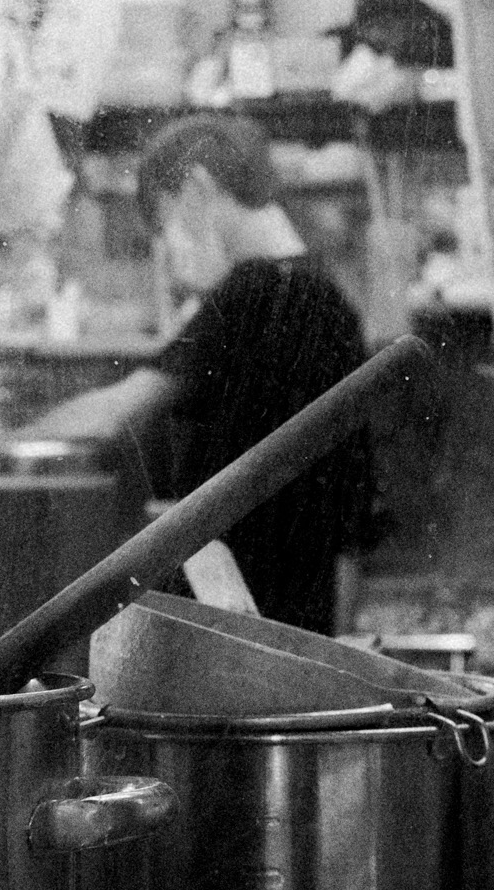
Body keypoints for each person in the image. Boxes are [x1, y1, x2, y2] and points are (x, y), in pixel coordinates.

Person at [22, 112, 373, 636]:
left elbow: (117, 411)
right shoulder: (328, 296)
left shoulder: (250, 292)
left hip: (237, 610)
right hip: (299, 607)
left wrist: (4, 443)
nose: (173, 255)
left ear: (196, 188)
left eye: (165, 226)